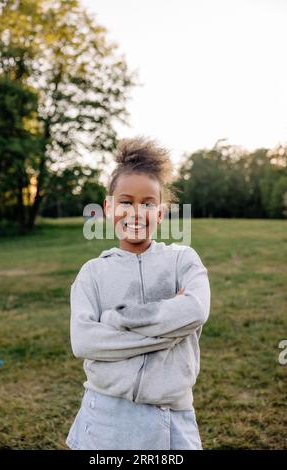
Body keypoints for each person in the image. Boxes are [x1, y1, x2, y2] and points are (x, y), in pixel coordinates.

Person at [66, 136, 211, 450]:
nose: (136, 211)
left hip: (173, 417)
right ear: (108, 208)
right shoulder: (92, 273)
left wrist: (115, 321)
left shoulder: (183, 260)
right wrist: (169, 331)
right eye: (126, 201)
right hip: (106, 417)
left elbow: (196, 310)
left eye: (148, 203)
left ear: (161, 212)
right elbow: (84, 341)